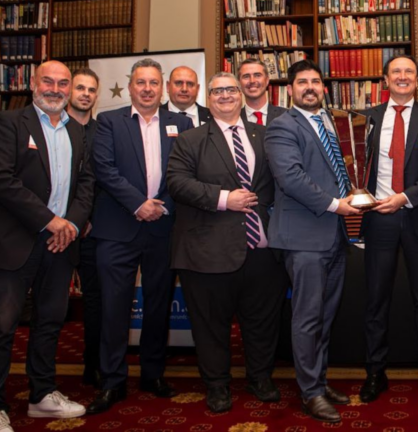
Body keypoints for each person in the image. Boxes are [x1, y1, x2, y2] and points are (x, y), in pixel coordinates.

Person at [167, 72, 288, 413]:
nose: (224, 96)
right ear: (208, 98)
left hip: (262, 249)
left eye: (230, 90)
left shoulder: (266, 136)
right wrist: (224, 199)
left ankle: (260, 378)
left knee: (263, 321)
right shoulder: (190, 140)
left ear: (241, 95)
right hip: (207, 251)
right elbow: (176, 182)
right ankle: (217, 385)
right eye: (217, 91)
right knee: (210, 325)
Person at [88, 58, 193, 414]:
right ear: (130, 86)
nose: (147, 88)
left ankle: (153, 374)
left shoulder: (180, 123)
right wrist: (138, 203)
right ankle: (113, 380)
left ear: (161, 88)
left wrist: (160, 204)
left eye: (153, 83)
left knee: (158, 306)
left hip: (163, 228)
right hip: (117, 228)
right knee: (113, 308)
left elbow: (184, 171)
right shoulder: (109, 121)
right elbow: (103, 168)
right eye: (140, 82)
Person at [264, 60, 360, 424]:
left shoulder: (330, 126)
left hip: (333, 236)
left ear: (324, 88)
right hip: (303, 238)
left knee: (325, 316)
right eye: (301, 82)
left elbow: (339, 170)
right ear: (290, 90)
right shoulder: (282, 127)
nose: (309, 87)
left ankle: (318, 380)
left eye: (315, 82)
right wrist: (338, 205)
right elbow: (291, 178)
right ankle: (310, 393)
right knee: (306, 318)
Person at [0, 61, 93, 431]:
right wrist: (48, 220)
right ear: (34, 84)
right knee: (3, 326)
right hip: (16, 241)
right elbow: (3, 180)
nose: (55, 89)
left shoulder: (79, 133)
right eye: (48, 81)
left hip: (61, 242)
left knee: (50, 321)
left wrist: (70, 223)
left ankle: (42, 395)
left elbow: (87, 184)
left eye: (63, 83)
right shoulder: (9, 123)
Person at [358, 55, 418, 402]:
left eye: (409, 71)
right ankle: (374, 372)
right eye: (396, 71)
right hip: (378, 217)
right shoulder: (368, 118)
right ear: (385, 79)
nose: (402, 76)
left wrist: (405, 197)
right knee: (376, 299)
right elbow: (358, 164)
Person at [66, 67, 101, 388]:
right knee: (47, 308)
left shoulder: (101, 130)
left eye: (91, 90)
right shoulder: (50, 128)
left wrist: (84, 219)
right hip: (47, 231)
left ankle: (93, 368)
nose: (86, 94)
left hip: (89, 232)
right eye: (80, 88)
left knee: (94, 302)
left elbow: (99, 182)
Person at [239, 58, 287, 126]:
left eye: (257, 75)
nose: (252, 81)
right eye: (246, 76)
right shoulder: (233, 118)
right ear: (239, 83)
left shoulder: (287, 116)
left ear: (267, 80)